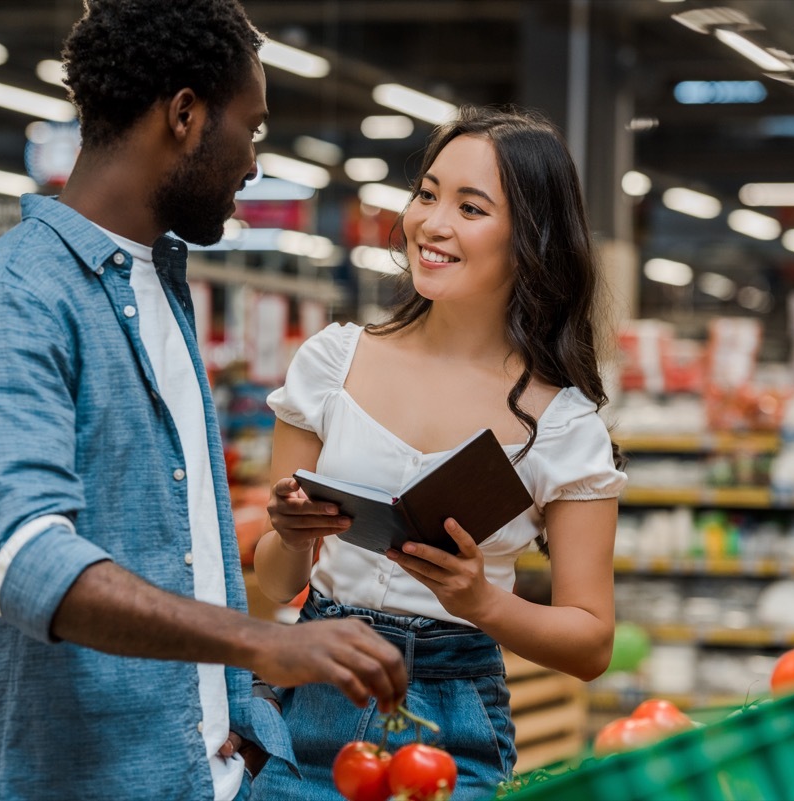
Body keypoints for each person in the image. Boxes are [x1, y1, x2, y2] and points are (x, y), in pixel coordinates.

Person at [0, 2, 407, 799]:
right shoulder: (17, 298)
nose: (254, 162)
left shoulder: (163, 285)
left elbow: (179, 547)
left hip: (202, 775)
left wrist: (248, 728)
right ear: (184, 115)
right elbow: (27, 560)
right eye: (250, 129)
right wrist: (261, 643)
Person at [250, 105, 629, 800]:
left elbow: (590, 642)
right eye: (427, 194)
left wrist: (479, 598)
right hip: (314, 683)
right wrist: (291, 536)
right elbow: (273, 585)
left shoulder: (565, 427)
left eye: (471, 207)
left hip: (453, 715)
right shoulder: (332, 364)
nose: (431, 223)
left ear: (530, 240)